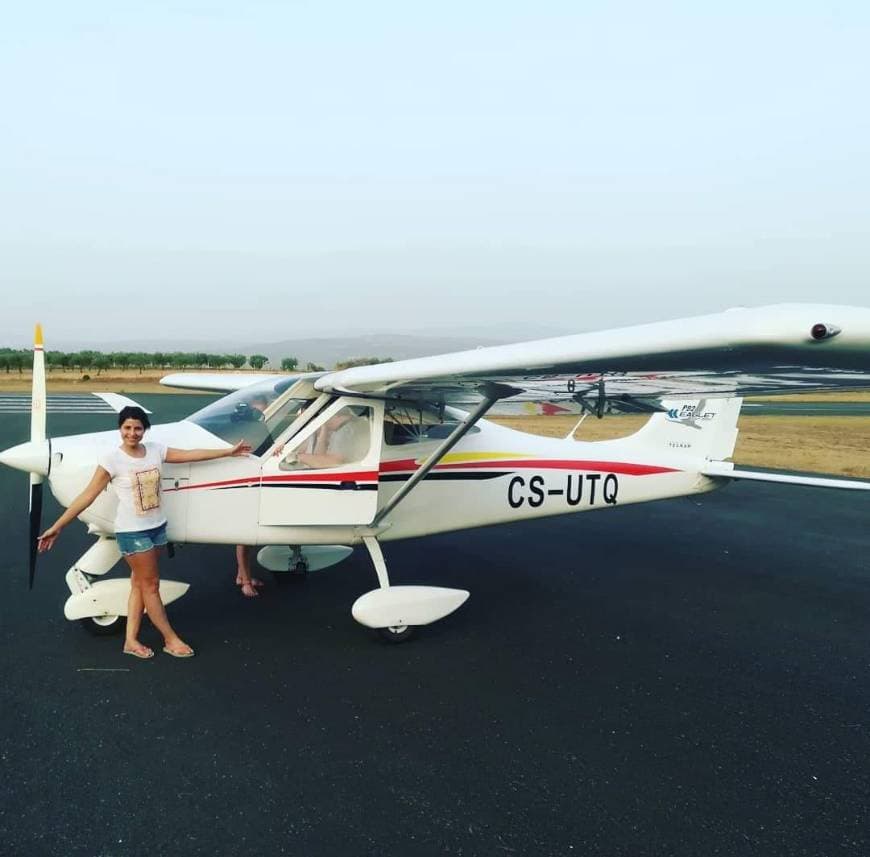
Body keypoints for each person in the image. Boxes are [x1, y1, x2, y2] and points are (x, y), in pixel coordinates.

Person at [38, 405, 252, 659]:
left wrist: (228, 451)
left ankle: (130, 640)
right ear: (120, 429)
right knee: (151, 585)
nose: (132, 433)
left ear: (144, 430)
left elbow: (190, 455)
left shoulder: (155, 450)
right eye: (127, 427)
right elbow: (88, 495)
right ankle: (170, 639)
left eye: (137, 428)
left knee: (139, 584)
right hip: (132, 533)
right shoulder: (111, 460)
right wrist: (57, 526)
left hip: (157, 528)